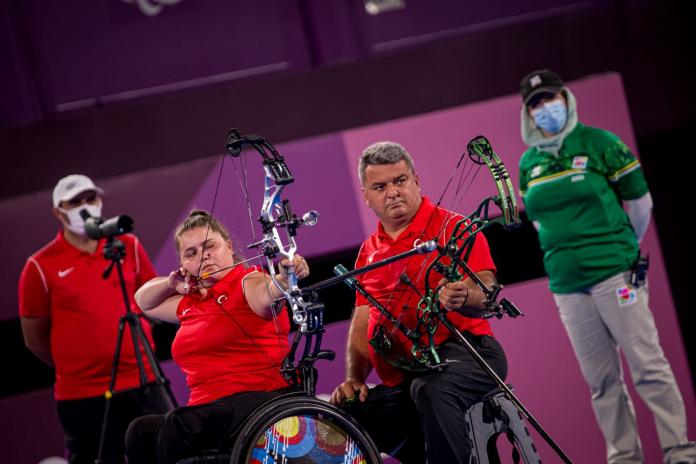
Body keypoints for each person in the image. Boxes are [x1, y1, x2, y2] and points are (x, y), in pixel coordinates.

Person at [518, 69, 696, 464]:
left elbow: (641, 204)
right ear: (528, 114)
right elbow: (537, 219)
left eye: (549, 98)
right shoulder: (528, 163)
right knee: (601, 383)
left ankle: (680, 452)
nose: (545, 108)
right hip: (567, 286)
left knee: (648, 366)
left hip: (614, 272)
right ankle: (624, 458)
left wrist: (621, 248)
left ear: (565, 97)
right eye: (535, 104)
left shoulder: (601, 144)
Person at [329, 142, 508, 463]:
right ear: (366, 195)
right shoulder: (367, 253)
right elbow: (362, 319)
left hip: (470, 354)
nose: (393, 192)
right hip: (406, 372)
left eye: (400, 181)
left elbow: (487, 288)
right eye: (380, 186)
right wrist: (354, 378)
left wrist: (464, 294)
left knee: (429, 390)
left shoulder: (454, 227)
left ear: (416, 180)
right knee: (350, 412)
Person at [125, 209, 309, 463]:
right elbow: (143, 301)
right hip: (209, 412)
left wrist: (284, 280)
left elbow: (268, 292)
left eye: (209, 245)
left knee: (177, 424)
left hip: (263, 400)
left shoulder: (248, 281)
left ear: (229, 247)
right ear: (183, 264)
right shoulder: (190, 302)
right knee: (140, 430)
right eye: (192, 253)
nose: (204, 255)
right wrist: (170, 284)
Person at [18, 174, 168, 464]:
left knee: (162, 455)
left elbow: (152, 301)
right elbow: (34, 339)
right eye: (75, 202)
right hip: (83, 395)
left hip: (145, 380)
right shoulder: (39, 266)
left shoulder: (128, 245)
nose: (85, 206)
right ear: (58, 211)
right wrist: (79, 364)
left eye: (91, 199)